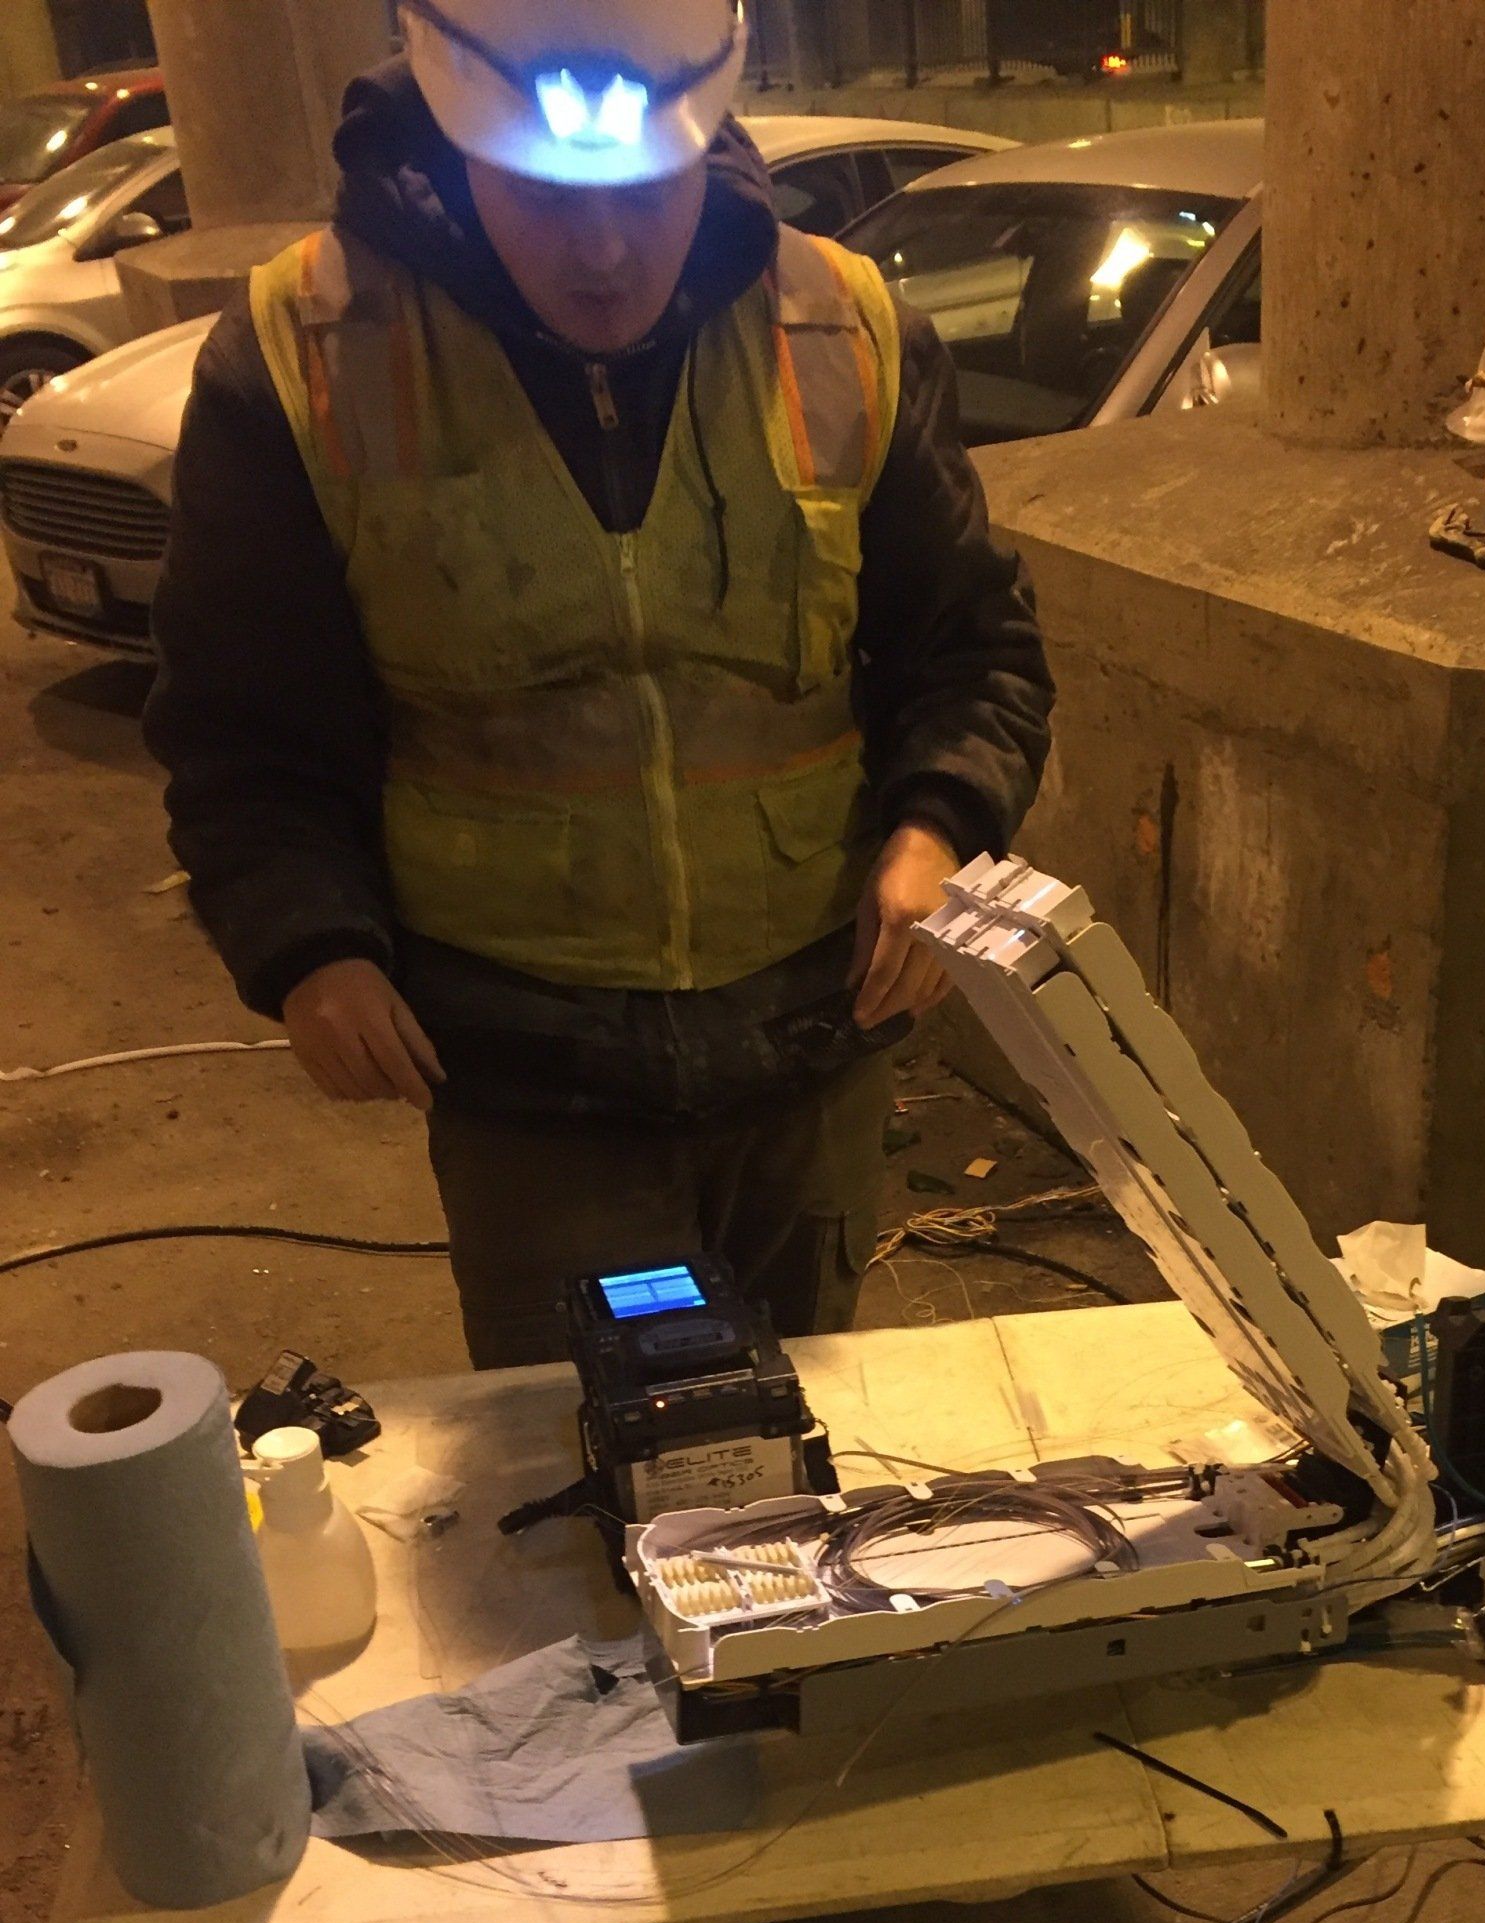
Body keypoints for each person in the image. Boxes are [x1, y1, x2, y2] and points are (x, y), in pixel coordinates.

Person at [146, 0, 1054, 1372]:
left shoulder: (838, 329)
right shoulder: (309, 352)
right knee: (594, 1467)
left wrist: (941, 835)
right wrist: (306, 940)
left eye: (649, 189)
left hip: (814, 1049)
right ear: (456, 145)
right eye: (544, 194)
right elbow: (242, 722)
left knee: (796, 1465)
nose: (606, 247)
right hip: (529, 1083)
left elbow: (972, 646)